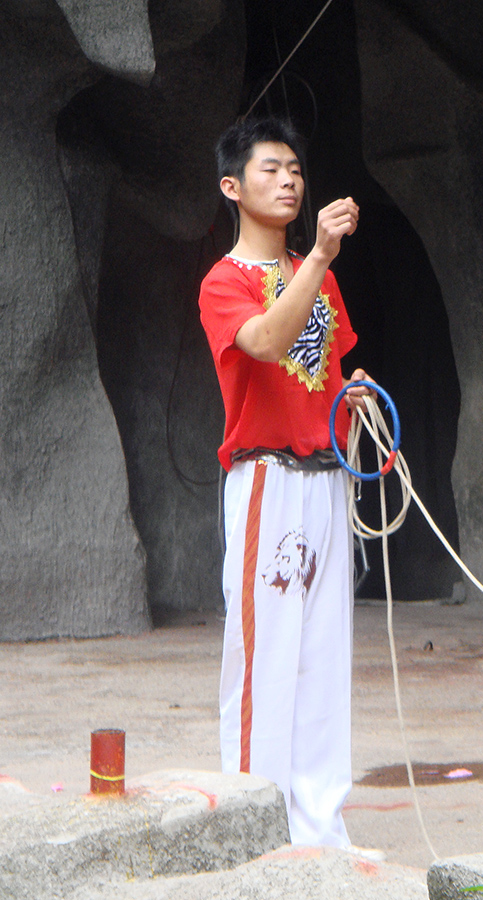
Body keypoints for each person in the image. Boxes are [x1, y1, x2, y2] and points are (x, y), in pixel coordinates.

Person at [198, 116, 370, 847]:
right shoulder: (223, 281)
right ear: (232, 187)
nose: (290, 179)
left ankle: (321, 831)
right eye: (271, 169)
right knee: (265, 656)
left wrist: (351, 402)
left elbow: (323, 381)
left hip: (327, 478)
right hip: (267, 480)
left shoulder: (318, 280)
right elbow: (267, 342)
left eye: (296, 169)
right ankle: (256, 829)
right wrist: (323, 256)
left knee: (324, 660)